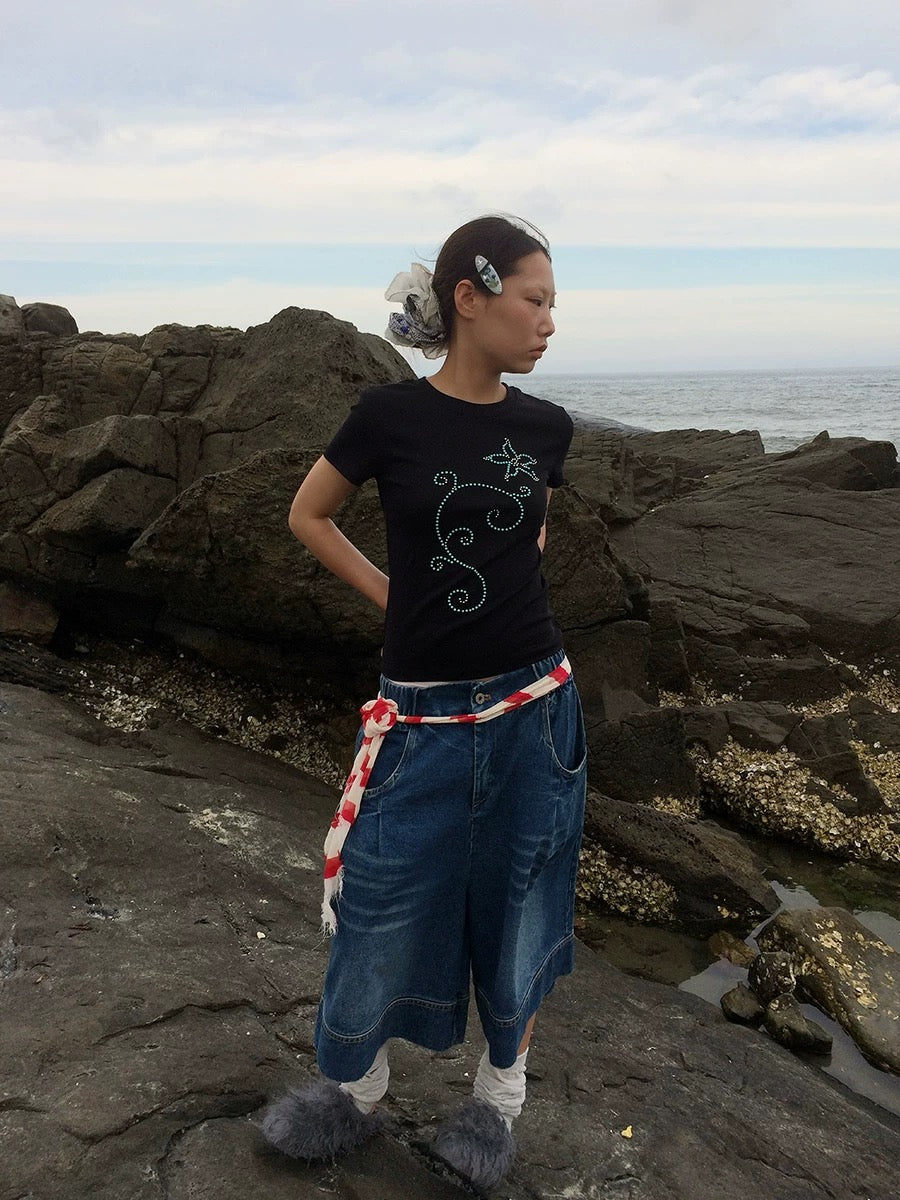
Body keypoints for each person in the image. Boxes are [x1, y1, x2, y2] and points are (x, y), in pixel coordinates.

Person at [259, 213, 587, 1191]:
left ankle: (497, 1106)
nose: (549, 322)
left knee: (521, 910)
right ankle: (355, 1093)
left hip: (535, 711)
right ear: (469, 297)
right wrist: (395, 598)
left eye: (554, 305)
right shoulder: (387, 416)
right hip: (418, 722)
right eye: (535, 300)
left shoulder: (546, 427)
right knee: (377, 901)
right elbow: (308, 514)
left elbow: (528, 540)